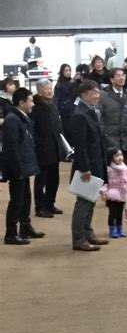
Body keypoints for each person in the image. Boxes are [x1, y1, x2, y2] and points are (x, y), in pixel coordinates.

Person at [69, 80, 109, 252]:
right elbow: (81, 145)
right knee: (83, 202)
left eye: (98, 91)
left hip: (97, 162)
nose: (97, 95)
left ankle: (88, 233)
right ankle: (78, 238)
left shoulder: (91, 111)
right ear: (84, 94)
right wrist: (84, 168)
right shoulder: (80, 115)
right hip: (87, 166)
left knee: (90, 201)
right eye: (94, 92)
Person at [2, 88, 44, 245]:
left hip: (25, 166)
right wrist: (17, 169)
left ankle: (25, 227)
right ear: (21, 102)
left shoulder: (22, 118)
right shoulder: (12, 120)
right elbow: (11, 148)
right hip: (17, 168)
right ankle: (11, 233)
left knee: (26, 198)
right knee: (16, 201)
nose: (32, 104)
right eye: (30, 100)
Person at [30, 79, 63, 218]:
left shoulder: (53, 105)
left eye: (50, 88)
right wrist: (38, 143)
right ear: (39, 90)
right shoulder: (35, 107)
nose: (49, 91)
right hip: (42, 149)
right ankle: (40, 207)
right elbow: (32, 129)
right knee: (41, 180)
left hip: (55, 147)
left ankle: (50, 203)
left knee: (54, 178)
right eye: (46, 88)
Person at [98, 68, 127, 164]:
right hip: (110, 139)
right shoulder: (103, 95)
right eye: (118, 75)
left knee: (124, 170)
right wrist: (103, 132)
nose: (122, 78)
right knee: (111, 171)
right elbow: (99, 116)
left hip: (125, 138)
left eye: (123, 75)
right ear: (112, 79)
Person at [100, 148, 127, 238]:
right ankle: (112, 229)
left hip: (123, 194)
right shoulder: (108, 169)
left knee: (119, 213)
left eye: (121, 155)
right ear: (111, 157)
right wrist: (103, 192)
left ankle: (120, 229)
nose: (120, 157)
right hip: (112, 195)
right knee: (112, 213)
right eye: (117, 155)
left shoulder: (125, 168)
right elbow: (105, 181)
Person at [53, 64, 76, 143]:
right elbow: (56, 100)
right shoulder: (59, 85)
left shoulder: (74, 83)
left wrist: (76, 105)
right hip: (64, 113)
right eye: (66, 70)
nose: (68, 72)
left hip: (74, 111)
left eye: (69, 70)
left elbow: (78, 97)